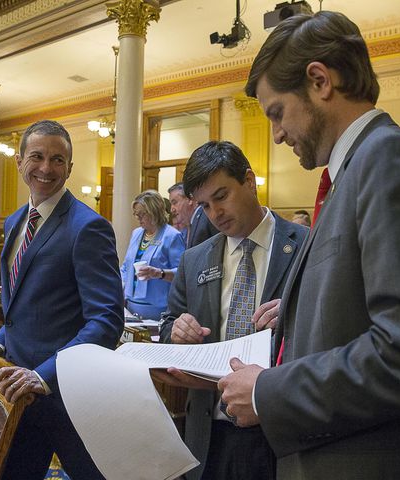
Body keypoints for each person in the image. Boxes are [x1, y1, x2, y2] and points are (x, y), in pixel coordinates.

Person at [216, 11, 400, 480]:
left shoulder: (393, 159)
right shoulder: (351, 175)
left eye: (277, 113)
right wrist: (302, 310)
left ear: (320, 80)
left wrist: (268, 392)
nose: (278, 133)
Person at [0, 119, 124, 480]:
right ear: (19, 161)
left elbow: (107, 321)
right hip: (17, 389)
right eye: (37, 156)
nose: (46, 168)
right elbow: (23, 307)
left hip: (65, 395)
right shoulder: (15, 221)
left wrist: (44, 374)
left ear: (69, 166)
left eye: (57, 159)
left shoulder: (88, 227)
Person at [156, 141, 308, 480]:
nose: (215, 214)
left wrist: (297, 310)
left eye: (221, 197)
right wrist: (177, 332)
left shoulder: (306, 246)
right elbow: (168, 326)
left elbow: (330, 327)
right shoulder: (194, 258)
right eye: (205, 205)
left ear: (250, 182)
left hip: (279, 430)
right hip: (209, 434)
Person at [121, 190, 184, 320]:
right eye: (135, 214)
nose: (138, 218)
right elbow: (126, 267)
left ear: (153, 212)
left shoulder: (171, 236)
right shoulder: (136, 233)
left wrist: (159, 273)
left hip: (158, 309)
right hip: (131, 306)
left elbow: (182, 273)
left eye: (141, 214)